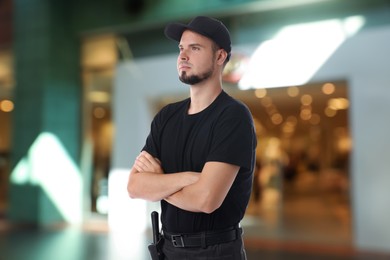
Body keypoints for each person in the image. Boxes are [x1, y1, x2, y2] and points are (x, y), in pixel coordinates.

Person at [127, 16, 257, 260]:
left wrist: (158, 183)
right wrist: (187, 179)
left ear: (220, 57)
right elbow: (134, 187)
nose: (183, 56)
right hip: (167, 249)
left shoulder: (233, 116)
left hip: (216, 252)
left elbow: (206, 200)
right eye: (181, 48)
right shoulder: (166, 117)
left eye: (194, 48)